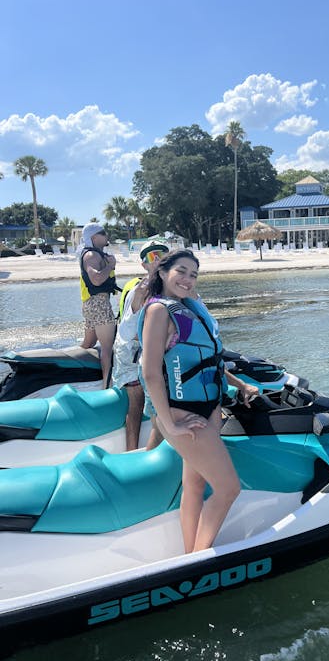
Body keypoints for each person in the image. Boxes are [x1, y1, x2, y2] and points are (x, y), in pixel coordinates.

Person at [140, 249, 254, 553]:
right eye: (181, 271)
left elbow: (210, 360)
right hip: (183, 413)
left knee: (195, 485)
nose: (188, 279)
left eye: (194, 274)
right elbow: (150, 373)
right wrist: (170, 427)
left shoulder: (189, 308)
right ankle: (200, 558)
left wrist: (242, 384)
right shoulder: (159, 311)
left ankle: (190, 552)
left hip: (210, 407)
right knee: (229, 488)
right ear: (163, 273)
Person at [111, 240, 170, 451]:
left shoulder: (170, 286)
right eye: (152, 258)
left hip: (153, 350)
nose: (158, 261)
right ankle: (132, 451)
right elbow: (128, 333)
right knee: (136, 404)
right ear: (144, 265)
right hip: (131, 353)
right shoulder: (142, 289)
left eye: (162, 256)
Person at [78, 223, 118, 388]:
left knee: (88, 343)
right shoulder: (92, 256)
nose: (106, 235)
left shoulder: (93, 254)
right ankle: (106, 385)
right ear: (94, 238)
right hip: (99, 303)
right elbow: (96, 279)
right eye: (103, 233)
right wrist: (110, 265)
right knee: (108, 347)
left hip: (90, 304)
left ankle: (72, 369)